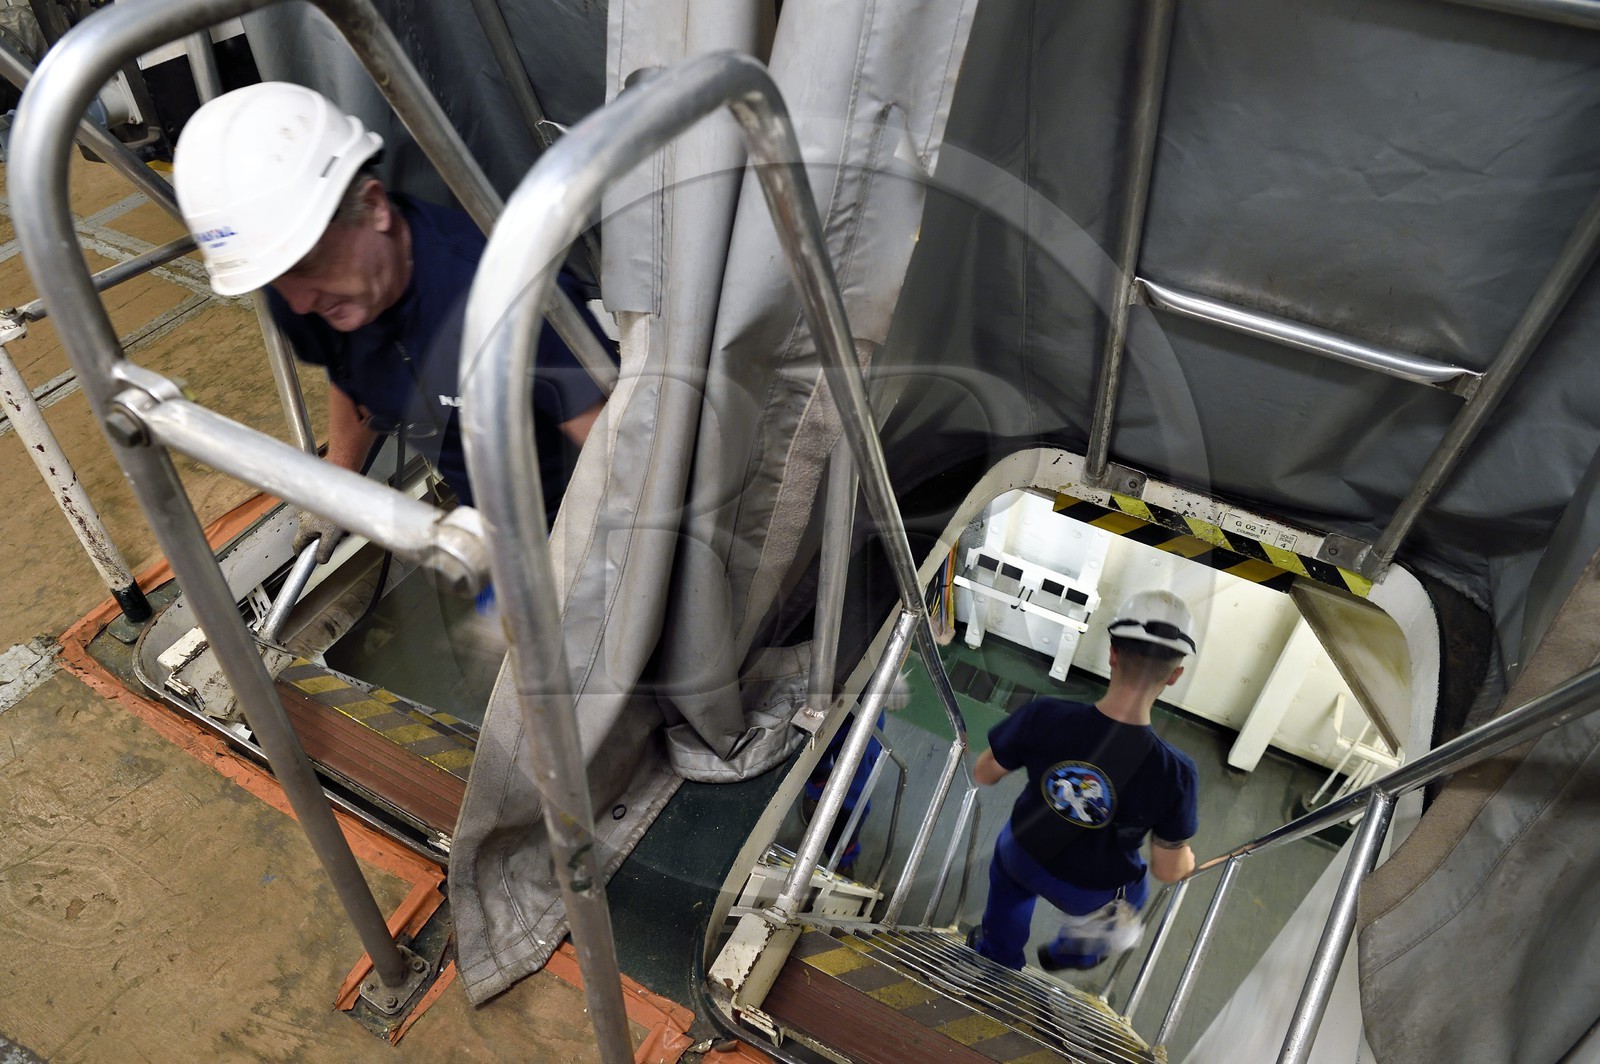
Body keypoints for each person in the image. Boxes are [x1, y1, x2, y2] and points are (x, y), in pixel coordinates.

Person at [172, 82, 608, 562]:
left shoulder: (506, 298)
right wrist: (337, 492)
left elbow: (617, 452)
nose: (297, 303)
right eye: (276, 278)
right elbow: (353, 382)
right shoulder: (314, 298)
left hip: (580, 524)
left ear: (375, 207)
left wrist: (571, 575)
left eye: (303, 264)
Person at [968, 589, 1200, 972]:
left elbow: (984, 772)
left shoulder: (1044, 715)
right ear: (1174, 676)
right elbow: (1167, 870)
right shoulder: (1175, 772)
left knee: (1009, 883)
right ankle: (1072, 953)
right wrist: (1185, 859)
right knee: (1134, 892)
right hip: (1089, 889)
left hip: (1023, 853)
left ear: (1112, 654)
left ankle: (998, 955)